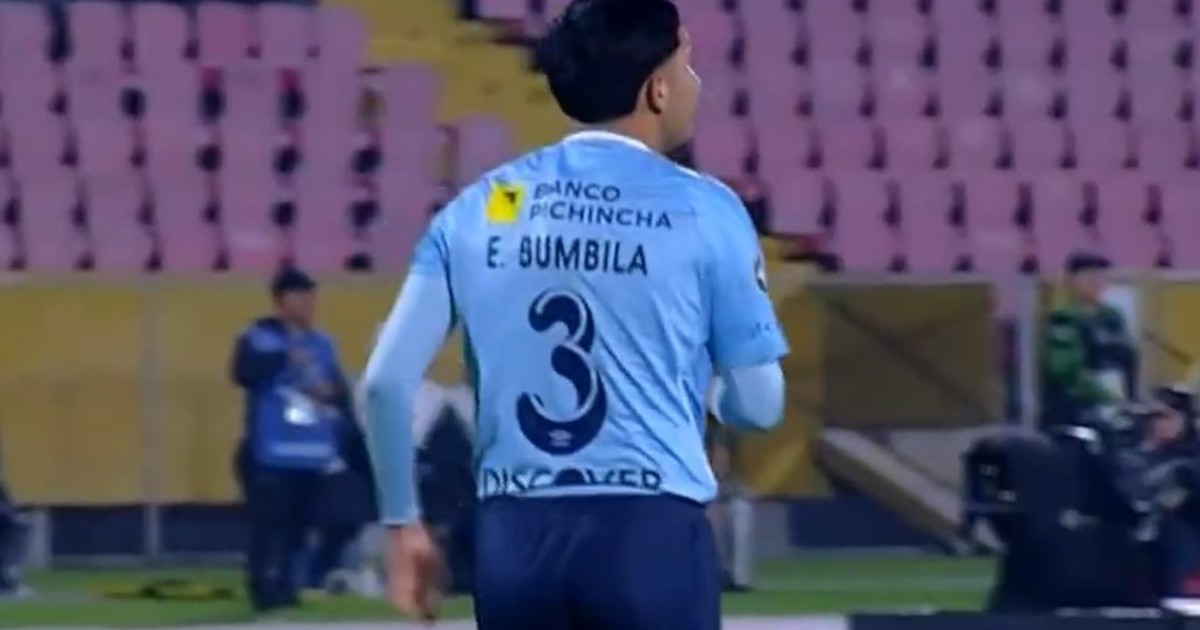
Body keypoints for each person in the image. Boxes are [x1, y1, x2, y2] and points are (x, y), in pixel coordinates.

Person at [362, 0, 789, 627]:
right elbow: (759, 404)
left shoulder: (484, 206)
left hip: (514, 538)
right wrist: (700, 384)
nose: (695, 84)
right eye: (687, 66)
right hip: (648, 532)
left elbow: (384, 383)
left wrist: (403, 522)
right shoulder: (706, 209)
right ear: (657, 88)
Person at [230, 267, 355, 612]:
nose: (306, 305)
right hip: (270, 451)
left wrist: (332, 393)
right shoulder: (259, 338)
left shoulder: (322, 343)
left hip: (312, 452)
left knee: (301, 525)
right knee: (269, 525)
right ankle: (263, 587)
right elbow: (242, 373)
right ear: (280, 302)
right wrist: (283, 358)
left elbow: (341, 392)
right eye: (298, 298)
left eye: (310, 298)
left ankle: (288, 586)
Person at [1040, 251, 1137, 430]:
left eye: (1101, 276)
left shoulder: (1112, 317)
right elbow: (1065, 371)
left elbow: (1128, 358)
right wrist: (1103, 395)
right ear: (1070, 280)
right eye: (1089, 276)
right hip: (1075, 413)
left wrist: (1128, 400)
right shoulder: (1064, 318)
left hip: (1116, 407)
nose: (1097, 282)